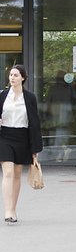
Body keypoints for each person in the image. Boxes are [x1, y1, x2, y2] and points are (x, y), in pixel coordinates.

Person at [0, 65, 43, 224]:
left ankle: (13, 209)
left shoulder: (30, 98)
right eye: (10, 75)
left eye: (16, 75)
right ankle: (7, 210)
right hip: (5, 136)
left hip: (23, 138)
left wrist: (35, 148)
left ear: (23, 78)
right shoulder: (3, 95)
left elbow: (34, 123)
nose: (12, 78)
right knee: (8, 173)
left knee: (17, 175)